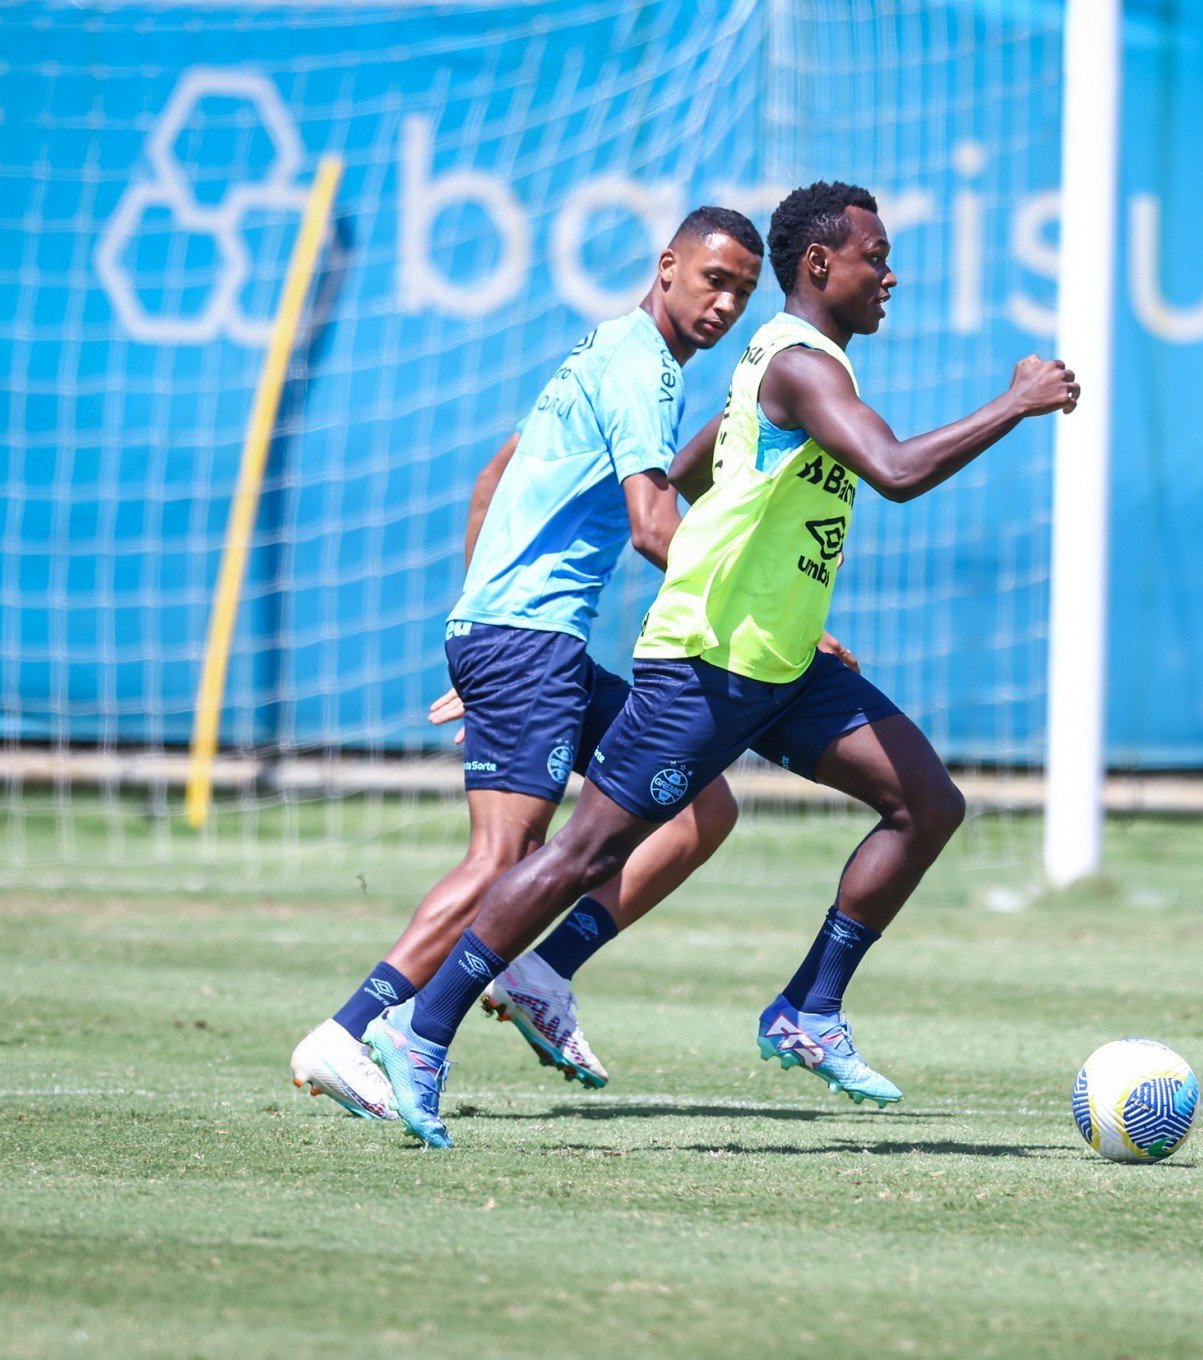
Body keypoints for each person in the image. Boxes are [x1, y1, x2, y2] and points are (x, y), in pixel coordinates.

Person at [364, 179, 1079, 1149]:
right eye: (875, 255)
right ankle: (420, 1028)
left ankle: (807, 1010)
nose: (890, 273)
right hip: (705, 662)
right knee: (582, 854)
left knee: (927, 805)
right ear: (820, 266)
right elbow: (899, 472)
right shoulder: (797, 363)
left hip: (781, 663)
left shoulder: (780, 366)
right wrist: (1019, 401)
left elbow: (701, 457)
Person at [288, 206, 780, 1118]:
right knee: (503, 857)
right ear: (667, 265)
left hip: (520, 639)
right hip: (530, 643)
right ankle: (348, 1034)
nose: (727, 305)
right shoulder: (641, 368)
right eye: (716, 281)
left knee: (702, 803)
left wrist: (475, 633)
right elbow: (653, 527)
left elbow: (495, 477)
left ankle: (542, 972)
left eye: (745, 294)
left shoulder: (605, 350)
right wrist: (756, 611)